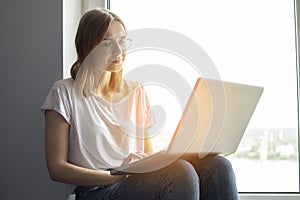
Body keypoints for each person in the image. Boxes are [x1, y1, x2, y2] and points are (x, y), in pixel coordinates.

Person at [41, 8, 239, 200]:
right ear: (88, 47)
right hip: (95, 190)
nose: (119, 50)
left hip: (133, 181)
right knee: (180, 173)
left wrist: (168, 156)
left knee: (218, 166)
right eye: (107, 43)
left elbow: (147, 155)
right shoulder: (64, 92)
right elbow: (57, 168)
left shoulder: (136, 91)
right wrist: (111, 177)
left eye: (122, 41)